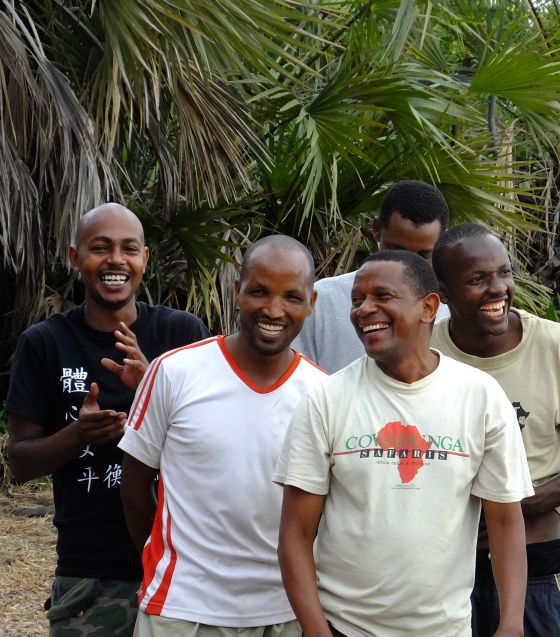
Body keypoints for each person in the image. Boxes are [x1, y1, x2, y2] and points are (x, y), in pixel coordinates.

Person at [275, 250, 533, 637]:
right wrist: (316, 630)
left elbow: (505, 520)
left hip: (446, 629)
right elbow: (295, 533)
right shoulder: (326, 399)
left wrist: (511, 622)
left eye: (383, 296)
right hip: (344, 627)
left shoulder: (480, 396)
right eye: (357, 299)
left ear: (428, 307)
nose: (364, 310)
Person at [5, 203, 211, 637]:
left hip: (181, 565)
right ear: (75, 258)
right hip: (90, 574)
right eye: (100, 248)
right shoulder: (44, 343)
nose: (116, 260)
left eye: (129, 249)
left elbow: (216, 443)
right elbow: (20, 463)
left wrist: (152, 388)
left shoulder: (182, 334)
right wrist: (77, 434)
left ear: (144, 260)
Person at [430, 223, 560, 637]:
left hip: (538, 561)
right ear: (443, 293)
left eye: (504, 273)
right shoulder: (424, 351)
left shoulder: (557, 346)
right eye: (477, 279)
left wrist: (526, 503)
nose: (498, 289)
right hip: (443, 568)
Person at [119, 235, 326, 637]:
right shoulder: (174, 372)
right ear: (237, 291)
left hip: (285, 611)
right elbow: (135, 484)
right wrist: (171, 563)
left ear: (311, 302)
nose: (273, 310)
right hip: (182, 611)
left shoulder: (324, 393)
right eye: (259, 292)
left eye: (291, 297)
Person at [292, 180, 450, 372]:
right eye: (396, 252)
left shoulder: (453, 307)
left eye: (422, 256)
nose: (407, 267)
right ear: (376, 229)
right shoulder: (323, 301)